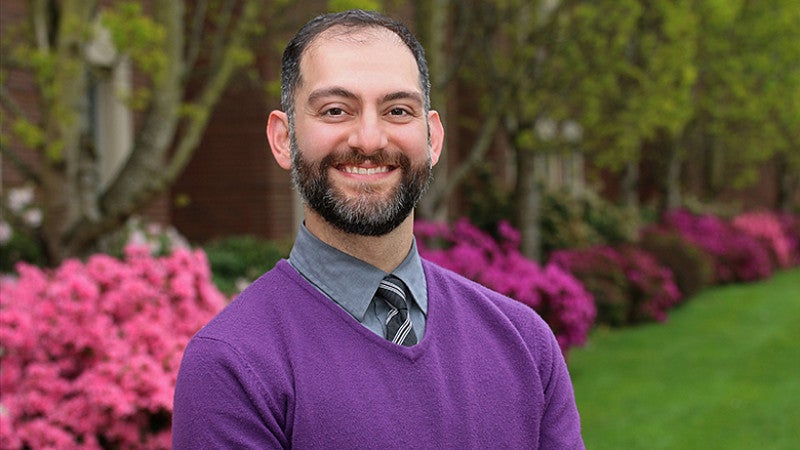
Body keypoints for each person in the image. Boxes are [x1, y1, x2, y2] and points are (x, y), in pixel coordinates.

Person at [172, 9, 584, 449]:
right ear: (283, 138)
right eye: (335, 110)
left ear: (433, 138)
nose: (369, 140)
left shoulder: (525, 343)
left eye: (397, 110)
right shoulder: (233, 364)